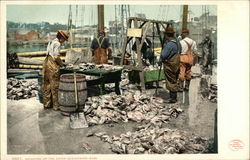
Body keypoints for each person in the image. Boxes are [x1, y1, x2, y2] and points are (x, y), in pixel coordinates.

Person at [42, 30, 68, 111]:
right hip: (52, 66)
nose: (64, 42)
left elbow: (50, 54)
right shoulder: (57, 43)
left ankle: (47, 104)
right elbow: (56, 57)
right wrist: (62, 64)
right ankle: (56, 106)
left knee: (47, 85)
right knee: (55, 86)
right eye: (64, 40)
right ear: (61, 38)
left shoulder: (51, 42)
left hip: (46, 64)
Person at [159, 27, 181, 103]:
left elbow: (163, 55)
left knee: (170, 80)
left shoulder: (169, 44)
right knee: (174, 79)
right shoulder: (177, 42)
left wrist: (161, 59)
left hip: (170, 64)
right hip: (176, 63)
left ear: (166, 35)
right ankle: (174, 96)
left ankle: (173, 98)